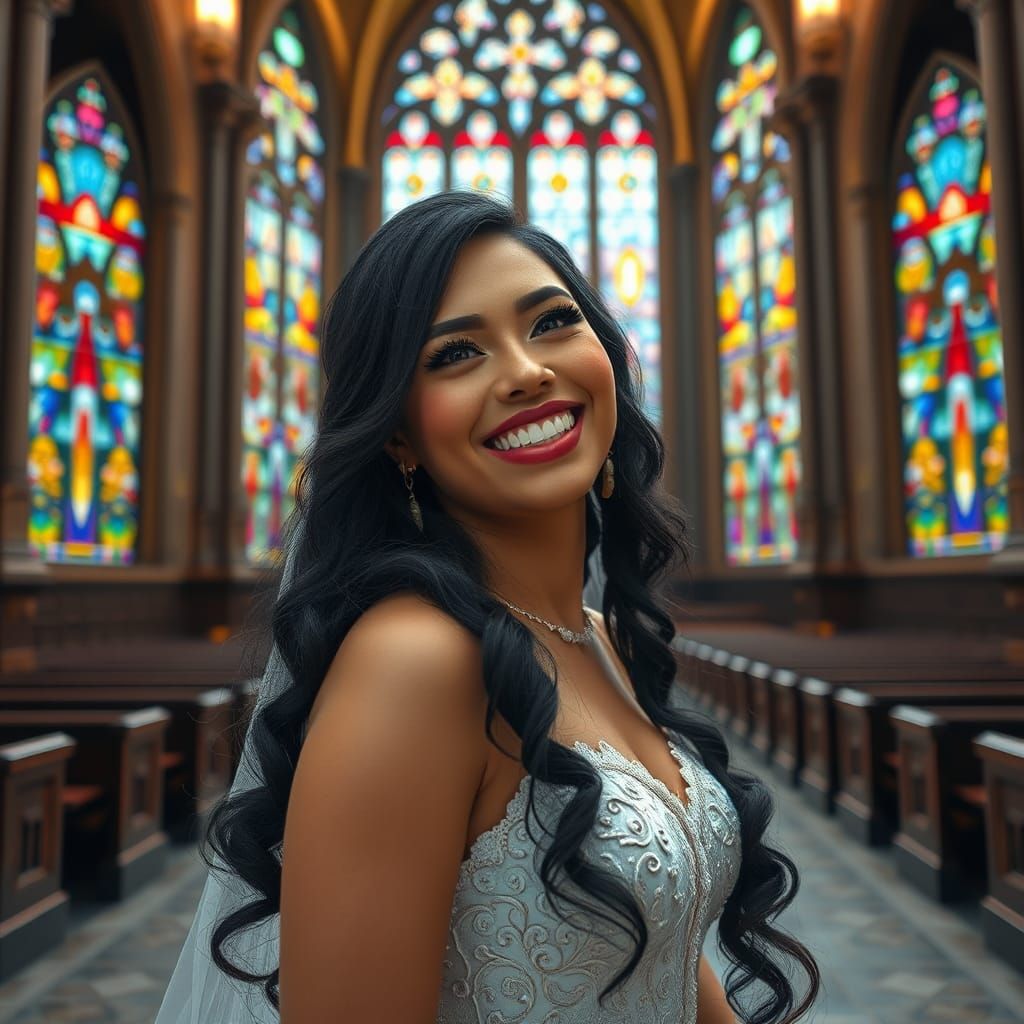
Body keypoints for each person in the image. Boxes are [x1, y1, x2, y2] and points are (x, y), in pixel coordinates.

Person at [155, 190, 819, 1024]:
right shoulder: (416, 662)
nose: (526, 370)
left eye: (550, 322)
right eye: (457, 353)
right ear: (397, 435)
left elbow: (659, 949)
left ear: (605, 354)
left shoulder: (600, 639)